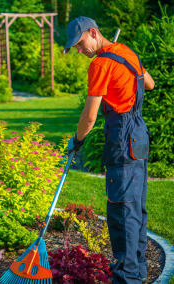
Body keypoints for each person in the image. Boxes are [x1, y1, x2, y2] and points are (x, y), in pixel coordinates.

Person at [64, 17, 155, 284]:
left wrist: (77, 140)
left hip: (121, 136)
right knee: (135, 206)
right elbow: (148, 84)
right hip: (138, 132)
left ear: (93, 33)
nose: (80, 51)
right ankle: (137, 271)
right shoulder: (125, 52)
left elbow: (90, 116)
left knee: (122, 211)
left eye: (80, 44)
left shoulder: (100, 64)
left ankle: (127, 278)